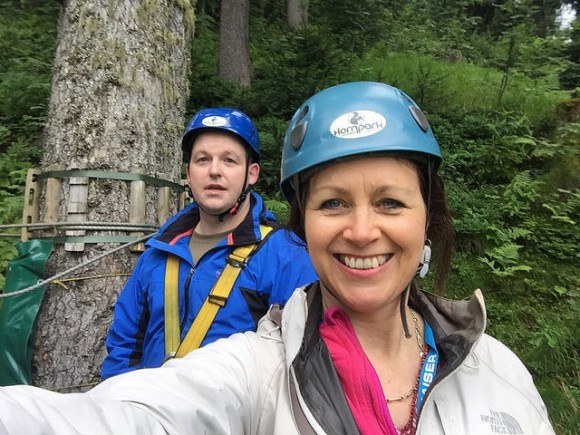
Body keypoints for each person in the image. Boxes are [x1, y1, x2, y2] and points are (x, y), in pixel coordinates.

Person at [0, 82, 554, 435]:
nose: (362, 232)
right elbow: (113, 401)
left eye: (389, 201)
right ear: (307, 225)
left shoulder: (497, 372)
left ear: (426, 217)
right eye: (334, 203)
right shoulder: (166, 265)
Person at [101, 107, 317, 379]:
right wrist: (121, 406)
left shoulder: (283, 254)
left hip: (238, 418)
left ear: (251, 174)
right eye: (203, 160)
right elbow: (124, 343)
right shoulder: (160, 251)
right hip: (152, 413)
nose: (214, 171)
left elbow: (308, 354)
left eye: (229, 161)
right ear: (189, 174)